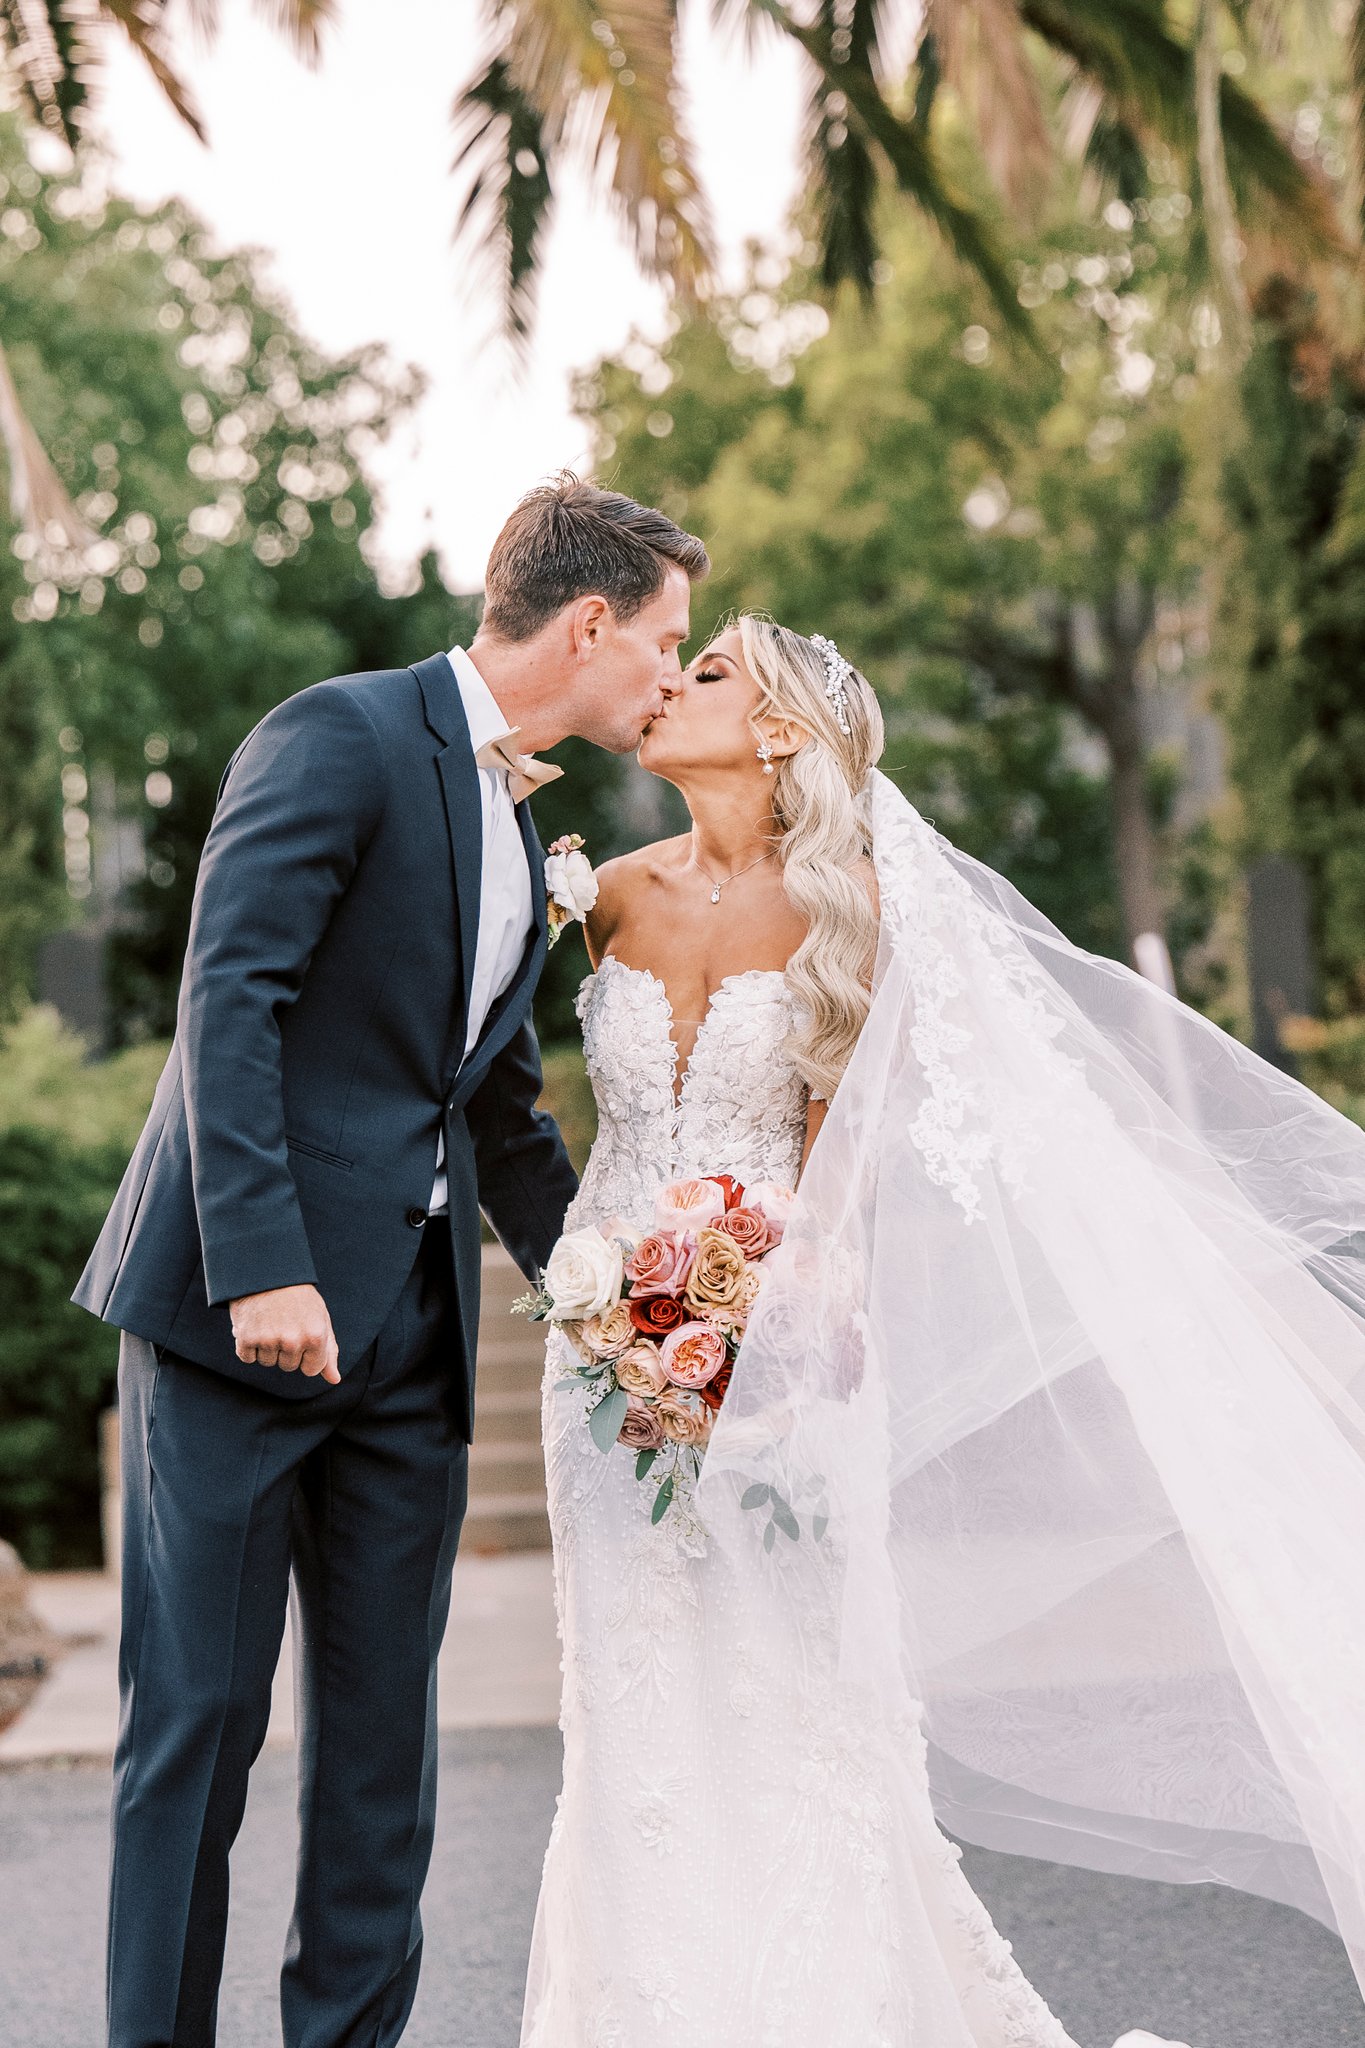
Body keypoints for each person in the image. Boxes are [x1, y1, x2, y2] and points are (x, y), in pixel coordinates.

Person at [522, 614, 1365, 2045]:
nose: (667, 686)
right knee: (633, 1705)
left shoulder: (853, 902)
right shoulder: (599, 895)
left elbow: (865, 1163)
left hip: (789, 1355)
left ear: (782, 728)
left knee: (793, 1697)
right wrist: (604, 1288)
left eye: (706, 671)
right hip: (600, 1358)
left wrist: (795, 1307)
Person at [73, 476, 709, 2048]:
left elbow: (493, 1111)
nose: (670, 678)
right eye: (665, 642)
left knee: (380, 1760)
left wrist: (636, 1325)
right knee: (198, 1736)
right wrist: (261, 1264)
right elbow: (232, 996)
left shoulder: (513, 816)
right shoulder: (337, 733)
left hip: (409, 1359)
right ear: (585, 624)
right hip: (241, 1329)